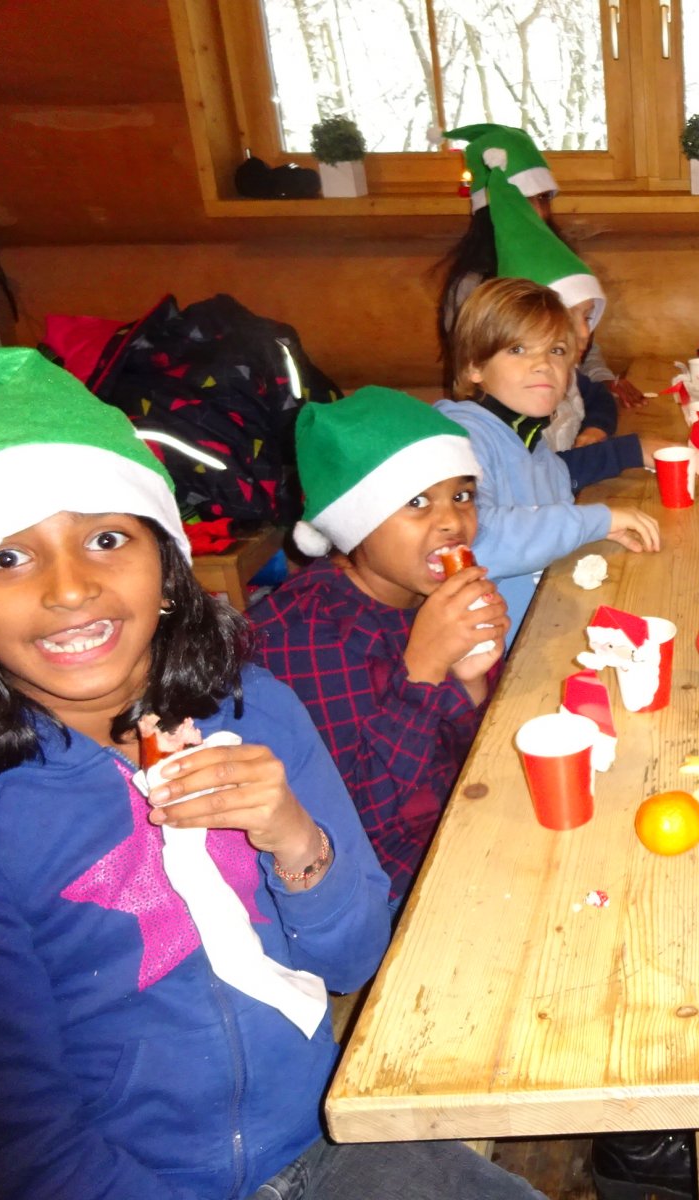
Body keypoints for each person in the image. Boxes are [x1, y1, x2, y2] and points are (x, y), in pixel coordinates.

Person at [0, 348, 547, 1200]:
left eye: (106, 538)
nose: (70, 589)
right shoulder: (3, 818)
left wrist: (295, 838)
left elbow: (353, 957)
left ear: (166, 568)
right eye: (7, 557)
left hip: (323, 1133)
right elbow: (28, 1145)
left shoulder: (254, 709)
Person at [251, 388, 507, 906]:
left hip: (462, 816)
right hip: (384, 883)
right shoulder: (303, 638)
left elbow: (461, 757)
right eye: (417, 502)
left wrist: (471, 680)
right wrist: (424, 668)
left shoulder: (424, 590)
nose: (452, 522)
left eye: (461, 495)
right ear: (356, 520)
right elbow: (355, 820)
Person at [438, 278, 661, 641]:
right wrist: (593, 521)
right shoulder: (460, 438)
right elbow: (473, 542)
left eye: (556, 350)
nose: (543, 364)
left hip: (542, 622)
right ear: (475, 366)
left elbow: (552, 505)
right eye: (518, 349)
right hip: (490, 651)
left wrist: (594, 529)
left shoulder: (533, 443)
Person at [437, 123, 641, 431]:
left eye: (544, 198)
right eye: (524, 199)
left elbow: (579, 339)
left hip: (565, 408)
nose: (539, 212)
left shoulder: (556, 262)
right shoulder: (473, 287)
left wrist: (602, 381)